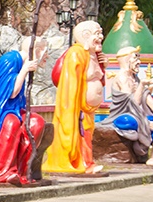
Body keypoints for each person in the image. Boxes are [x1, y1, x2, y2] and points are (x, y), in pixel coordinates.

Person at [0, 37, 48, 184]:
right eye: (45, 51)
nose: (47, 56)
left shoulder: (22, 63)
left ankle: (23, 170)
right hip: (0, 110)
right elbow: (11, 93)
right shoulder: (10, 59)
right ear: (36, 50)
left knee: (36, 122)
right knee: (11, 123)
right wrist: (25, 70)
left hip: (15, 109)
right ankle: (0, 172)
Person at [42, 21, 106, 174]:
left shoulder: (93, 55)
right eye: (97, 34)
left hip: (89, 108)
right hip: (77, 106)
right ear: (85, 36)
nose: (101, 37)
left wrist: (103, 65)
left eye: (100, 33)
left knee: (87, 134)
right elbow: (70, 82)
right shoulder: (76, 53)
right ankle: (83, 163)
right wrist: (74, 107)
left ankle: (87, 162)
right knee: (80, 133)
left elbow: (99, 81)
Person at [98, 46, 153, 166]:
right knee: (129, 122)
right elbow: (133, 103)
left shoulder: (134, 78)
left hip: (138, 114)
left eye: (139, 58)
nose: (139, 62)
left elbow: (146, 97)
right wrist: (142, 84)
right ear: (127, 60)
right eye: (135, 58)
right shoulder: (122, 78)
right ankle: (139, 142)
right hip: (124, 114)